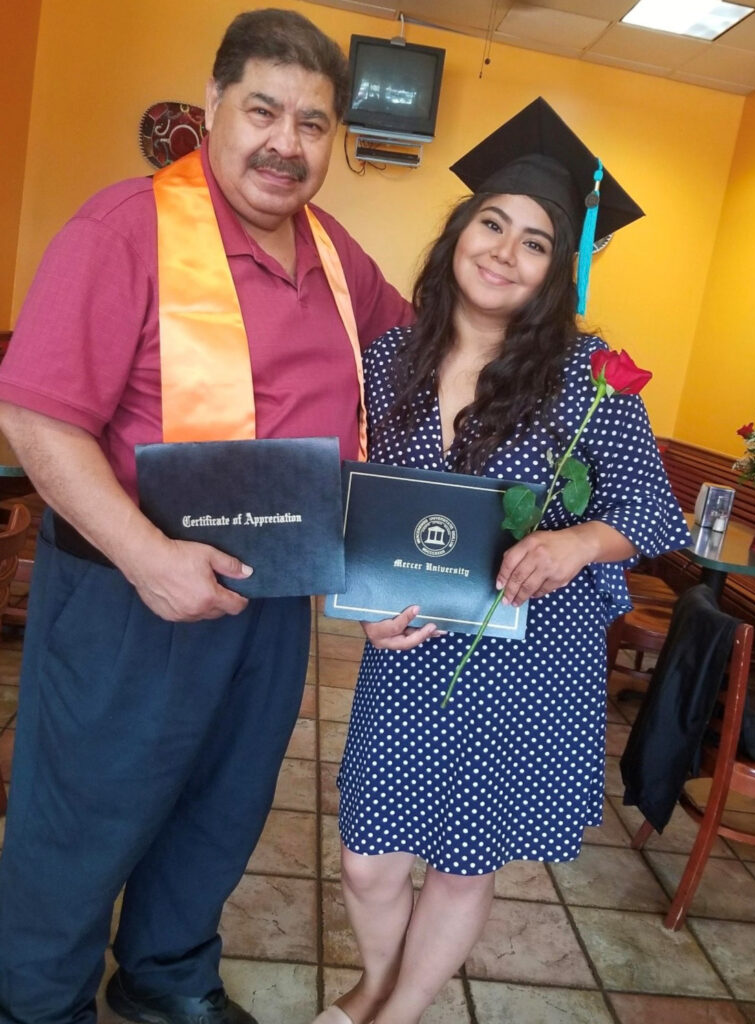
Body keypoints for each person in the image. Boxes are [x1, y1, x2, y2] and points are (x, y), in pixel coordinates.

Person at [0, 9, 410, 1024]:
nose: (286, 142)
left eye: (314, 124)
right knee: (88, 807)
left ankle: (166, 974)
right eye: (264, 109)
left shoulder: (337, 254)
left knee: (223, 802)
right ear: (215, 107)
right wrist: (146, 556)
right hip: (127, 591)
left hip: (273, 595)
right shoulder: (124, 228)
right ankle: (35, 1000)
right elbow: (37, 416)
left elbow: (415, 370)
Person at [314, 98, 692, 1024]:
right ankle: (372, 983)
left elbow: (652, 510)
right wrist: (361, 603)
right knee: (368, 856)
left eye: (535, 243)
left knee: (459, 859)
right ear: (458, 232)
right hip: (408, 652)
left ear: (555, 273)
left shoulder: (588, 378)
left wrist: (575, 542)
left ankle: (396, 1014)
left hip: (530, 662)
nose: (504, 251)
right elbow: (349, 506)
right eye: (492, 223)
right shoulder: (385, 360)